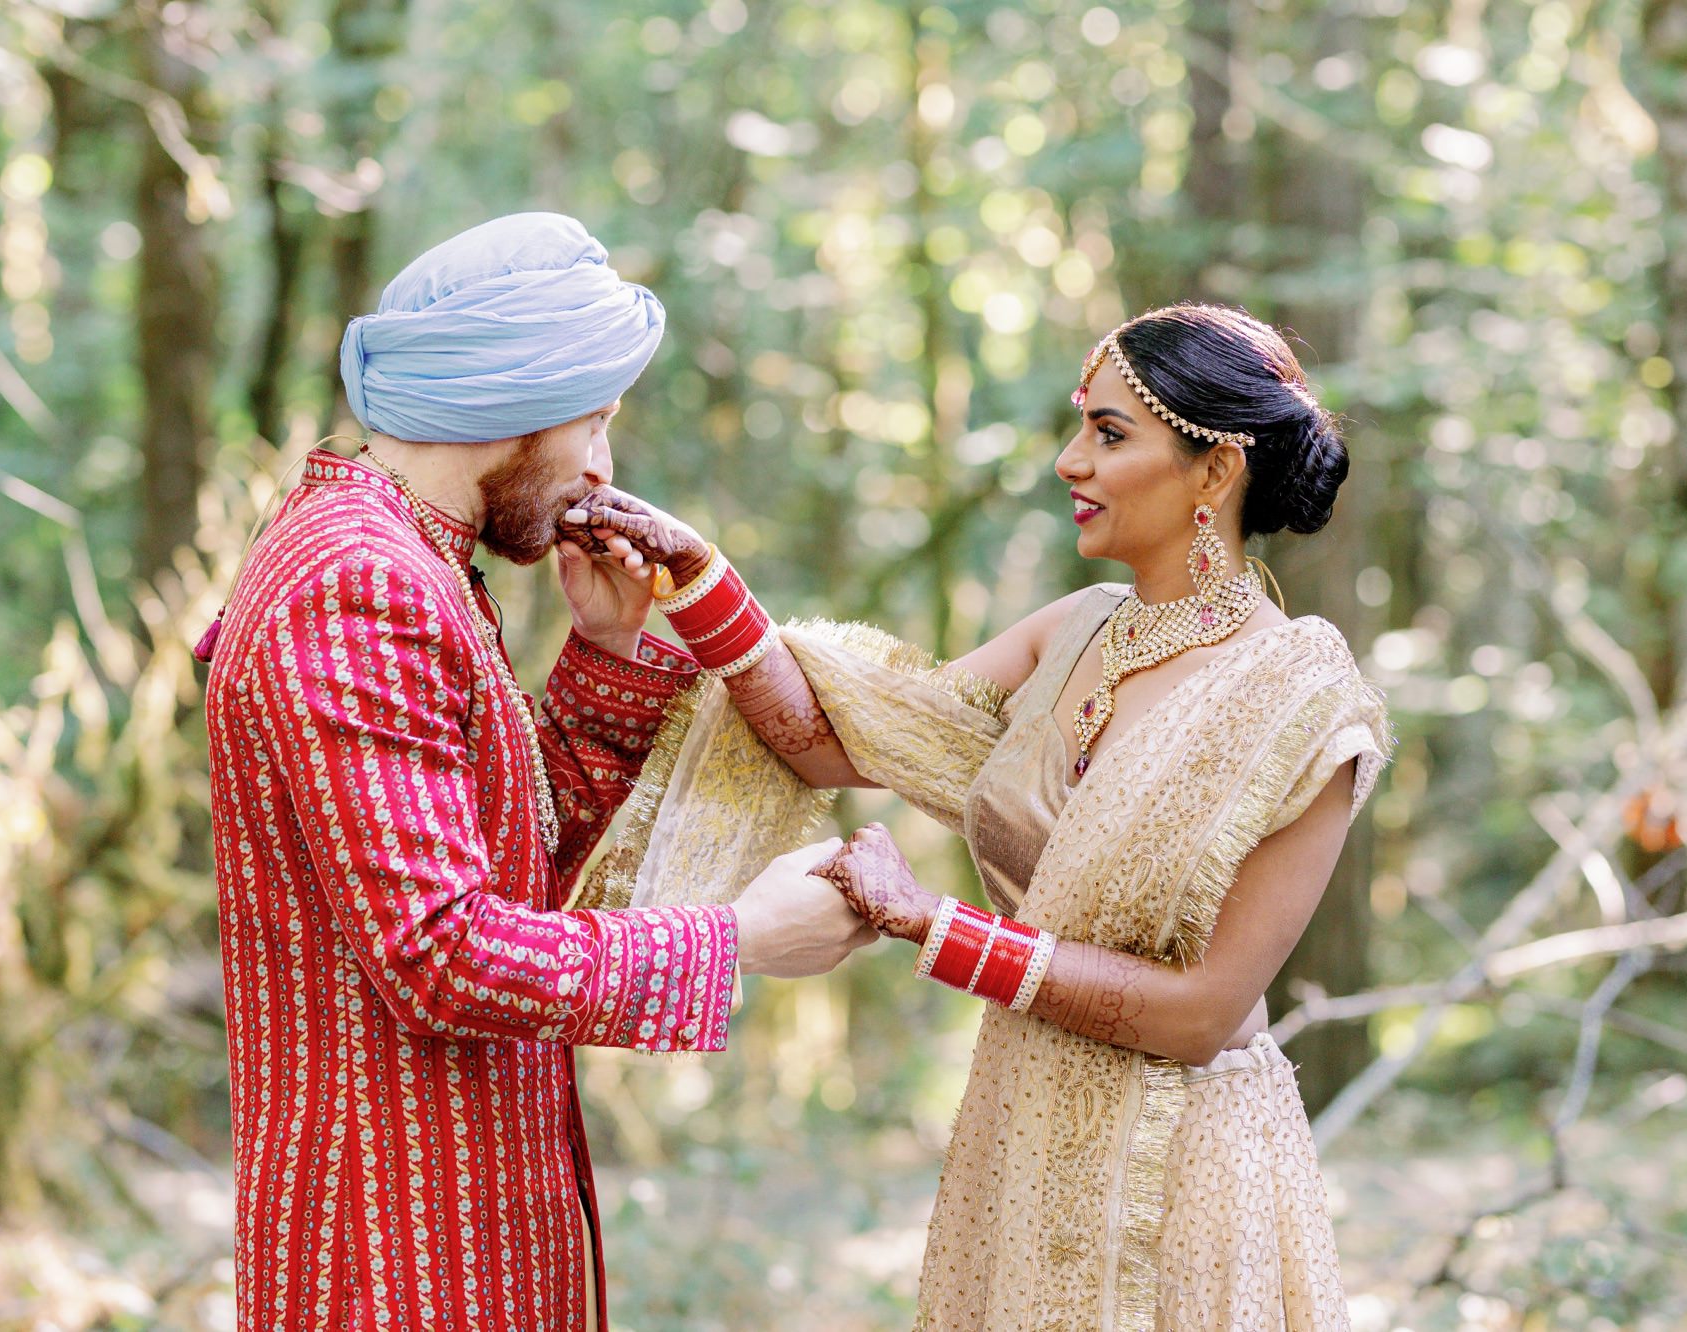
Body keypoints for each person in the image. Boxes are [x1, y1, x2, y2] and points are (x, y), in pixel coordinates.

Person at [565, 303, 1391, 1330]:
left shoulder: (1297, 696)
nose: (1065, 462)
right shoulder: (1074, 630)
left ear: (1213, 472)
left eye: (1106, 434)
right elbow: (837, 737)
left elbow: (1199, 1014)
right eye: (1076, 426)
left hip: (1181, 1167)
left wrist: (932, 928)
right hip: (1019, 1129)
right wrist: (696, 581)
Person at [200, 212, 874, 1332]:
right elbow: (442, 954)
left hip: (467, 1220)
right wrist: (740, 937)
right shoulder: (359, 586)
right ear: (507, 396)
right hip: (395, 1250)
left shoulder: (406, 559)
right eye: (594, 417)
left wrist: (604, 656)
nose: (603, 465)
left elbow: (499, 867)